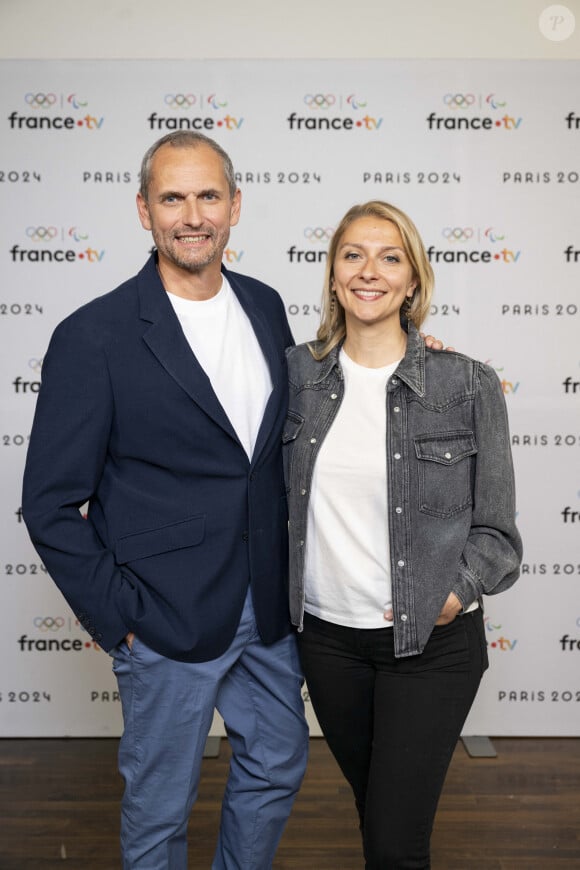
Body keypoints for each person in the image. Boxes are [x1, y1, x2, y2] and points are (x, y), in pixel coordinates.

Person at [21, 131, 310, 870]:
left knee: (276, 766)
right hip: (163, 615)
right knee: (159, 808)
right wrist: (121, 621)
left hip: (268, 605)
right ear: (143, 211)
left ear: (235, 206)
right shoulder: (94, 336)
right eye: (172, 197)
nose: (192, 214)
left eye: (208, 195)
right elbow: (51, 504)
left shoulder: (265, 305)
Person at [283, 200, 523, 869]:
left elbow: (497, 531)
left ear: (414, 280)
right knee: (380, 818)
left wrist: (456, 593)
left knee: (393, 840)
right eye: (353, 254)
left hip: (431, 647)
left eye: (391, 257)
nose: (370, 271)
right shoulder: (294, 377)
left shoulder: (466, 383)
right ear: (332, 275)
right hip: (328, 644)